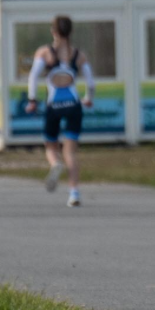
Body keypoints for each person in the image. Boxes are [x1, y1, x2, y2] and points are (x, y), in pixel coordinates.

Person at [25, 15, 94, 208]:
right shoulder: (79, 55)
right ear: (70, 32)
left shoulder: (45, 53)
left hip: (53, 105)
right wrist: (88, 98)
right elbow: (90, 82)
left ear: (53, 31)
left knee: (50, 145)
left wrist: (32, 100)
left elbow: (33, 77)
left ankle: (55, 164)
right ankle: (74, 193)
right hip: (73, 105)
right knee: (70, 152)